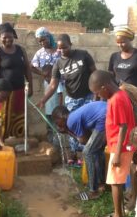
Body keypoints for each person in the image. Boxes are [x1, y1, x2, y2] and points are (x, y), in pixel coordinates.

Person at [37, 33, 97, 163]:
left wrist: (96, 95)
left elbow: (94, 74)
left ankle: (85, 153)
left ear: (71, 44)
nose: (62, 51)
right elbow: (53, 85)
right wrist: (44, 100)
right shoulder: (58, 64)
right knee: (71, 125)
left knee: (86, 125)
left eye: (65, 47)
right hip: (71, 98)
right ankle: (74, 153)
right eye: (59, 48)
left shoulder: (83, 55)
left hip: (87, 96)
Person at [89, 70, 136, 217]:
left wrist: (116, 153)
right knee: (118, 180)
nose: (97, 96)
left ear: (104, 87)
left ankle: (118, 216)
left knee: (115, 182)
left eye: (97, 92)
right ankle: (122, 212)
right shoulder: (119, 95)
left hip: (120, 147)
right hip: (121, 145)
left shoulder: (116, 99)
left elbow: (123, 126)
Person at [52, 102, 106, 200]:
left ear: (60, 117)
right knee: (97, 150)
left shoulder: (70, 121)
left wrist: (67, 132)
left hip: (104, 117)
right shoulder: (74, 116)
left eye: (56, 122)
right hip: (106, 113)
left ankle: (93, 191)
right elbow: (89, 139)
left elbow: (84, 141)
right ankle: (101, 184)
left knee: (87, 152)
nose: (57, 125)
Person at [0, 22, 33, 140]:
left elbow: (27, 69)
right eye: (5, 37)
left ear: (14, 36)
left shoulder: (20, 50)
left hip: (19, 90)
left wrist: (31, 86)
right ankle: (1, 142)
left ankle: (17, 140)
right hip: (4, 93)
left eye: (10, 37)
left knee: (18, 116)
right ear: (0, 38)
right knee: (2, 117)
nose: (8, 39)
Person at [31, 27, 63, 145]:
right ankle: (52, 143)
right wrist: (43, 73)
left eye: (44, 40)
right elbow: (31, 66)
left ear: (49, 37)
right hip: (48, 84)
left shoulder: (59, 51)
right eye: (39, 41)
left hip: (62, 84)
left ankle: (59, 143)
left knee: (61, 114)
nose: (42, 43)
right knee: (49, 114)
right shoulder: (40, 53)